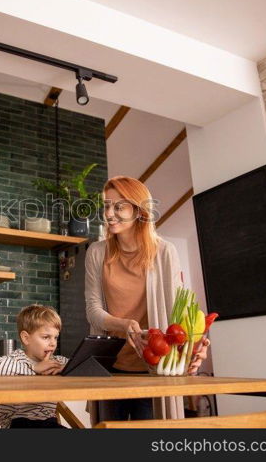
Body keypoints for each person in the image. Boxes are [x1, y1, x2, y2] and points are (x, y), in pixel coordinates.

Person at [84, 176, 209, 423]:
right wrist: (123, 324)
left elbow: (178, 313)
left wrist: (193, 346)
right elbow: (92, 310)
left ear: (138, 210)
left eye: (119, 206)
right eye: (106, 205)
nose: (109, 213)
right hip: (110, 368)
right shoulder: (97, 252)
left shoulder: (164, 252)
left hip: (154, 368)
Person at [0, 304, 68, 428]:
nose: (53, 343)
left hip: (48, 421)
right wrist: (35, 368)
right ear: (26, 338)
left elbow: (81, 365)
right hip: (17, 421)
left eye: (55, 337)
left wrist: (66, 368)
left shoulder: (56, 361)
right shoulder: (17, 358)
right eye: (46, 337)